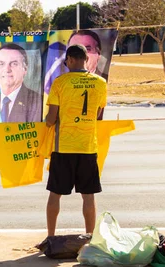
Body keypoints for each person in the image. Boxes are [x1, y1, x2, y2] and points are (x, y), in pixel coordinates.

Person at [44, 44, 108, 237]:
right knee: (88, 196)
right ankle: (89, 238)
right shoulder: (100, 82)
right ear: (86, 59)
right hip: (88, 147)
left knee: (55, 194)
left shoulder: (60, 82)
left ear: (70, 59)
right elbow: (98, 113)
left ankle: (51, 237)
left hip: (63, 147)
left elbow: (50, 120)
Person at [0, 43, 42, 123]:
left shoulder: (36, 101)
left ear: (25, 69)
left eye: (14, 64)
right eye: (1, 64)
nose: (7, 69)